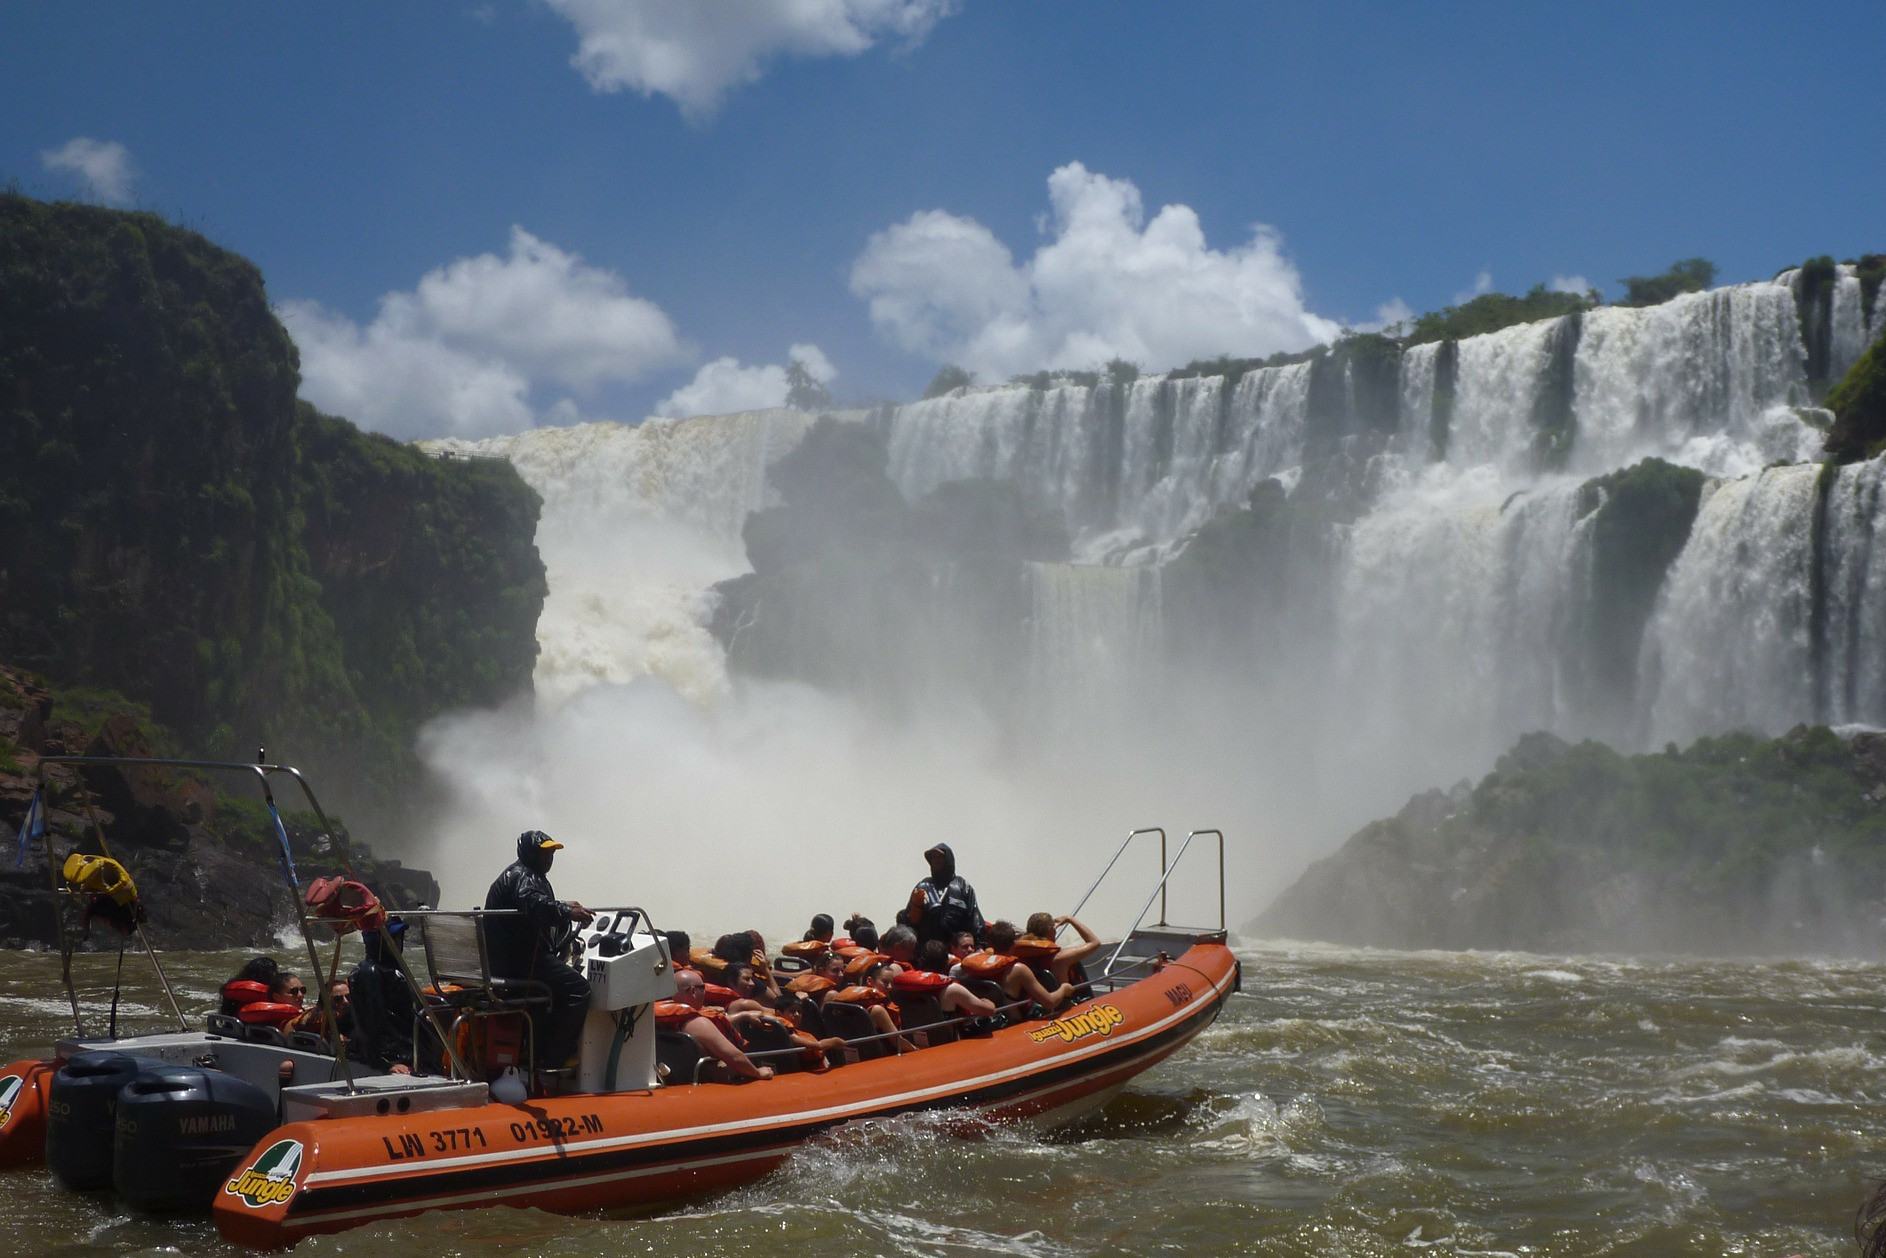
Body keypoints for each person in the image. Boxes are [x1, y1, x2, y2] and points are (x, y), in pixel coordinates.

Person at [484, 830, 594, 1076]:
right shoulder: (525, 876)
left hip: (506, 961)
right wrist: (566, 911)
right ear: (529, 853)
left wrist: (565, 905)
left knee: (553, 989)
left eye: (551, 853)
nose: (549, 859)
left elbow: (529, 903)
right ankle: (555, 1059)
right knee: (579, 989)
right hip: (521, 963)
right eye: (544, 853)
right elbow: (532, 902)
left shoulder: (518, 874)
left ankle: (536, 1054)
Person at [350, 920, 419, 1075]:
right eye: (393, 938)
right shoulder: (369, 973)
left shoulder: (393, 968)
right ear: (377, 942)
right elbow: (370, 1022)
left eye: (399, 938)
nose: (398, 942)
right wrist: (386, 1062)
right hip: (393, 1056)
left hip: (408, 1050)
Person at [902, 843, 984, 948]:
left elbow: (975, 917)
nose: (936, 860)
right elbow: (907, 920)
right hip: (927, 950)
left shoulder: (962, 885)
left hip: (957, 950)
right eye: (933, 857)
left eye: (940, 856)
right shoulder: (923, 886)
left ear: (948, 859)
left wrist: (980, 946)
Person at [1026, 911, 1104, 985]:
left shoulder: (1026, 954)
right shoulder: (1060, 957)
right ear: (1051, 930)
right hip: (1065, 997)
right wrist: (1070, 919)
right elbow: (1095, 942)